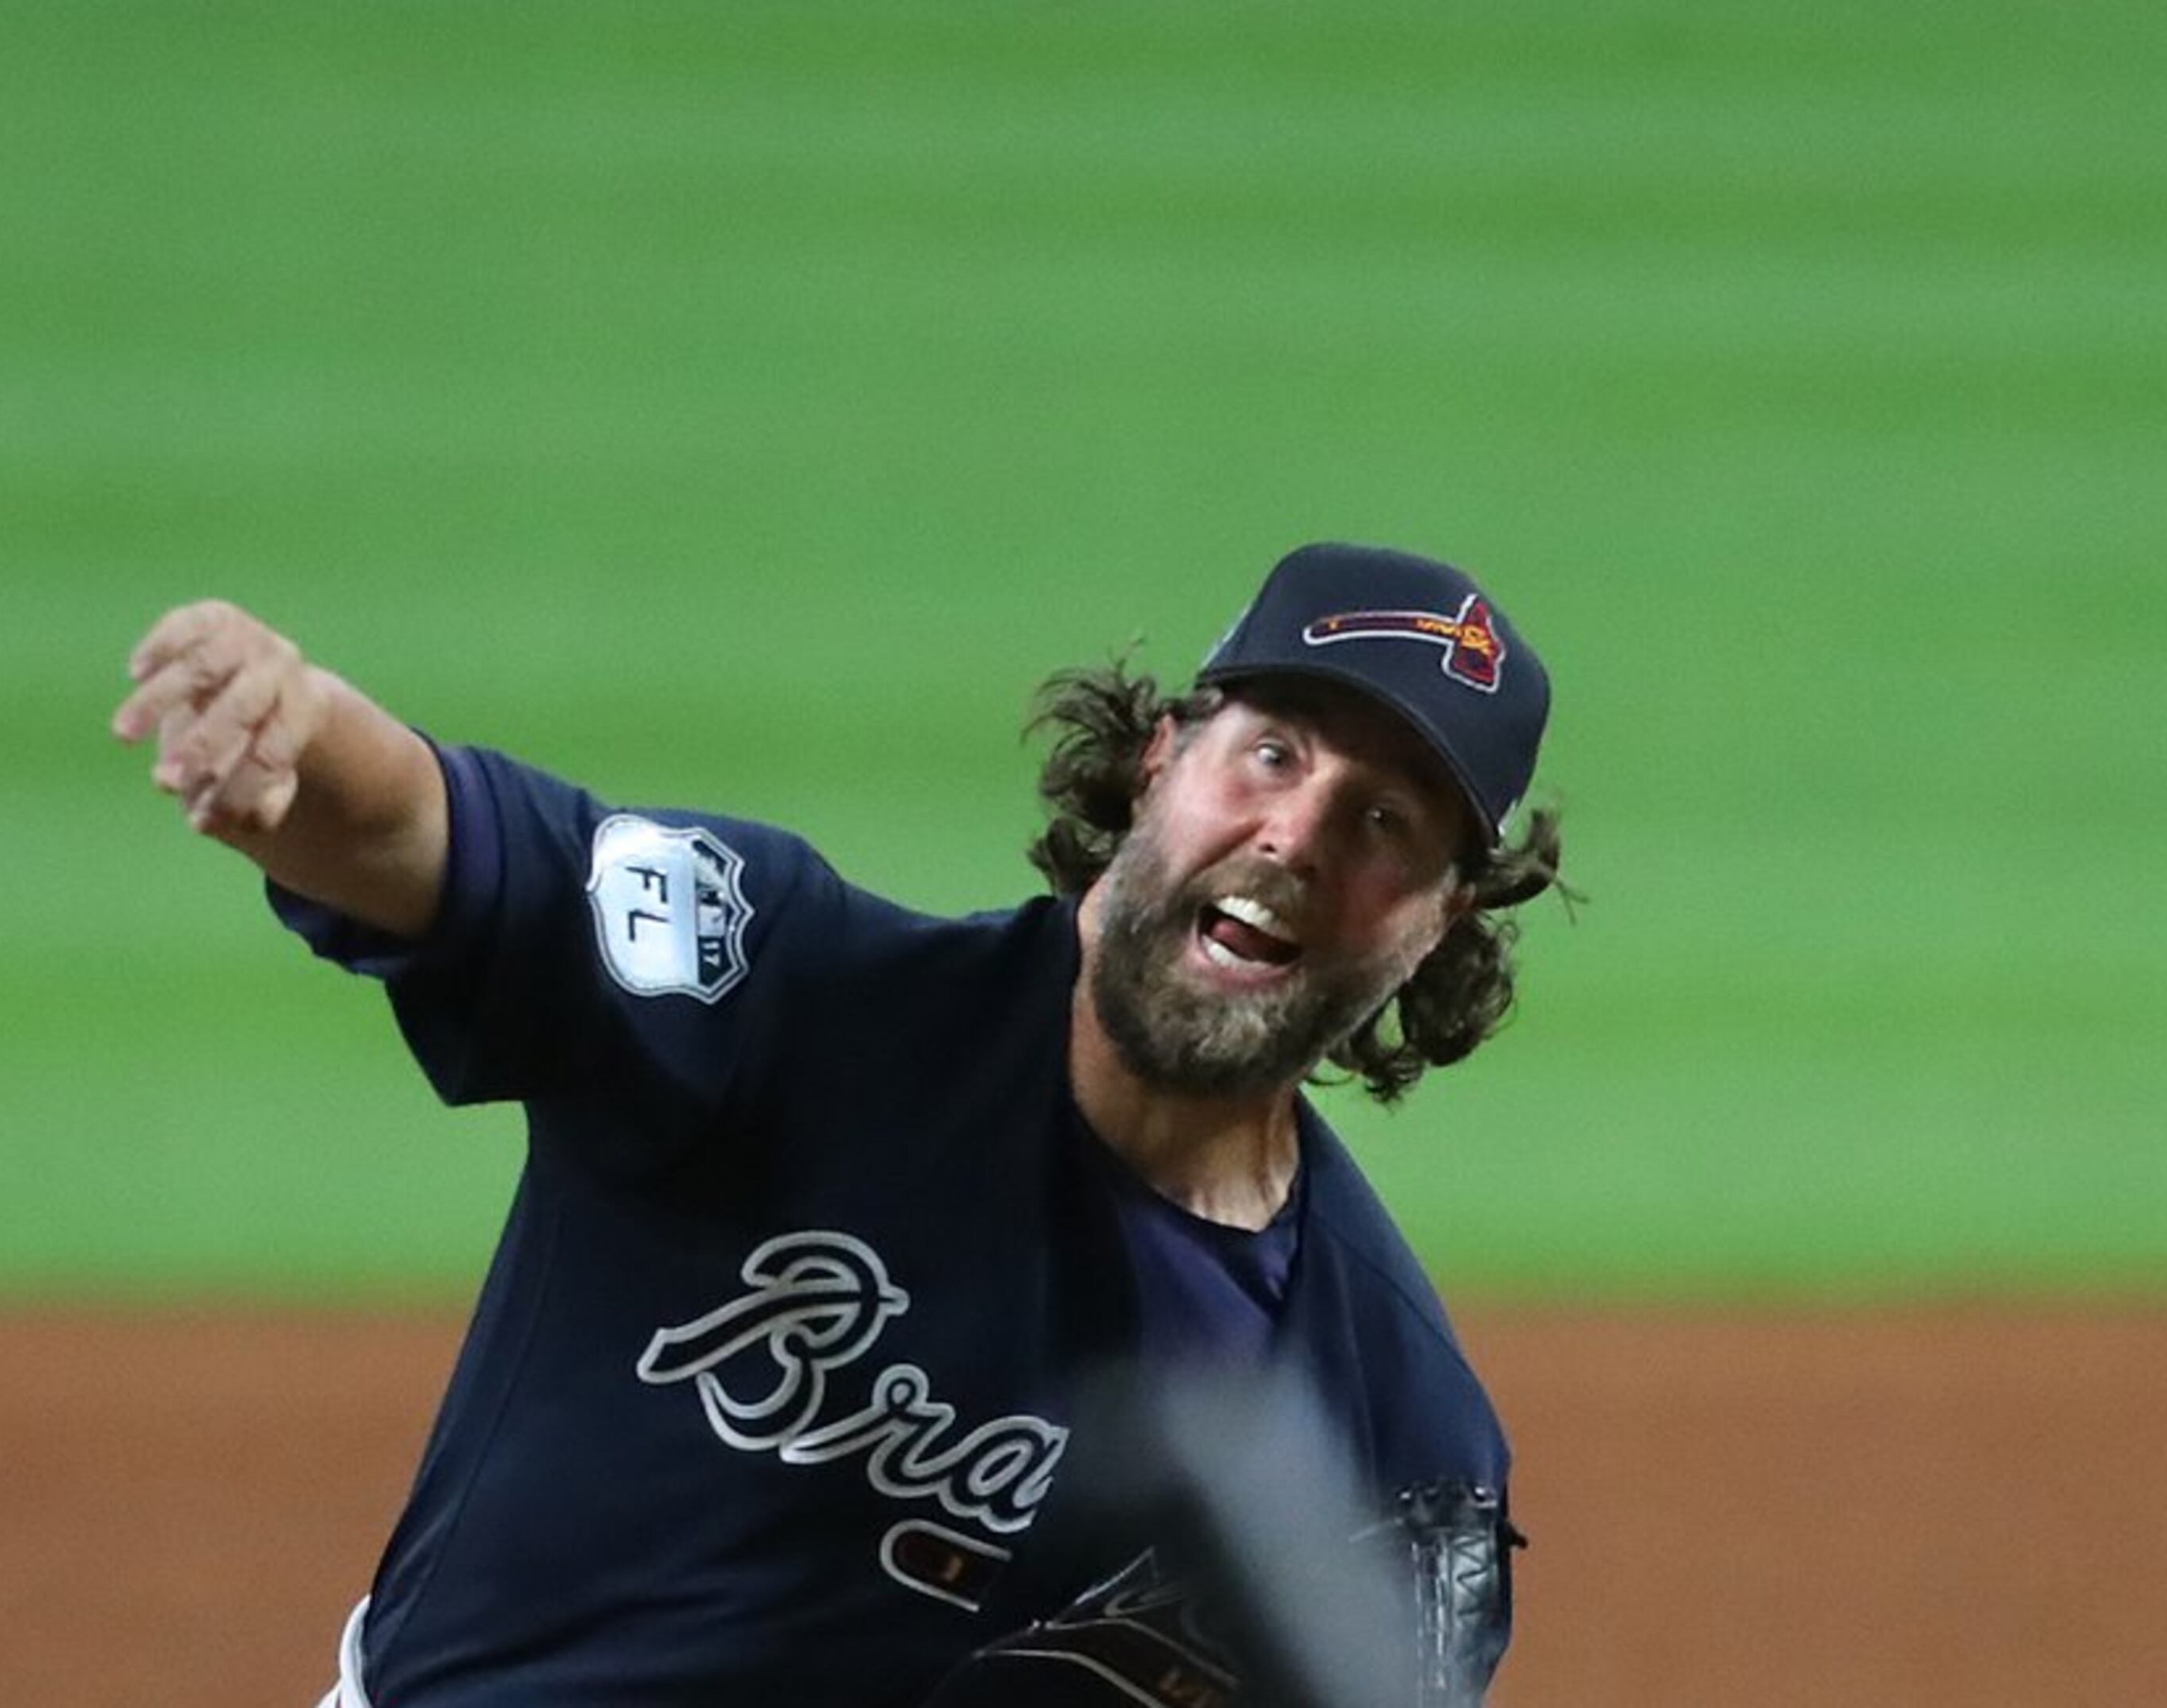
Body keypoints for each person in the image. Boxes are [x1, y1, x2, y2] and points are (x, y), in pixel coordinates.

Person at [109, 542, 1564, 1707]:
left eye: (1385, 825)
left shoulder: (1386, 1433)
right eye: (1273, 756)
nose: (1297, 839)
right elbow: (446, 848)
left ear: (1438, 929)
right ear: (1160, 762)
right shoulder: (785, 992)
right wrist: (304, 741)